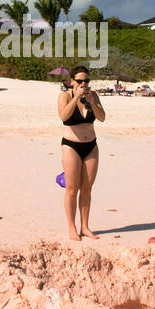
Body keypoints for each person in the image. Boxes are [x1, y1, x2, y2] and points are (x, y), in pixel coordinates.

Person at [58, 65, 106, 241]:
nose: (83, 83)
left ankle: (85, 226)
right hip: (71, 145)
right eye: (79, 81)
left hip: (91, 146)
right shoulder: (65, 96)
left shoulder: (93, 96)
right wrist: (76, 97)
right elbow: (63, 116)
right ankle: (72, 227)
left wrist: (92, 102)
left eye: (86, 80)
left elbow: (102, 117)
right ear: (72, 81)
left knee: (86, 189)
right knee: (72, 189)